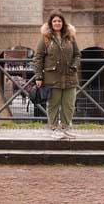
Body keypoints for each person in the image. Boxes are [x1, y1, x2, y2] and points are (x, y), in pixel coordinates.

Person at [31, 10, 80, 138]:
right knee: (53, 104)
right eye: (54, 21)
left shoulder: (71, 37)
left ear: (63, 23)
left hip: (70, 77)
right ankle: (53, 129)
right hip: (52, 78)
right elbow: (38, 57)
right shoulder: (45, 38)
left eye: (59, 21)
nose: (57, 23)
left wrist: (74, 66)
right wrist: (38, 76)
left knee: (69, 104)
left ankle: (65, 128)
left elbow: (77, 55)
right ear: (51, 23)